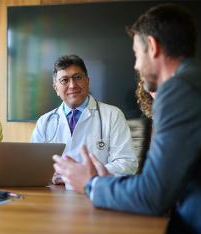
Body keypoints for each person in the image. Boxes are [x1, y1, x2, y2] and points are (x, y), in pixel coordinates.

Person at [53, 4, 201, 234]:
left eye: (136, 54)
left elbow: (152, 195)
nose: (135, 65)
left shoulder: (178, 90)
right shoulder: (193, 82)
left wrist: (91, 184)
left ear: (153, 47)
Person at [31, 55, 138, 186]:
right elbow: (35, 165)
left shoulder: (112, 114)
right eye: (64, 80)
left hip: (97, 190)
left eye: (77, 77)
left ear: (87, 81)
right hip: (55, 194)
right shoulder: (44, 122)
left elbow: (127, 163)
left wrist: (89, 174)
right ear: (56, 88)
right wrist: (51, 174)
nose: (72, 85)